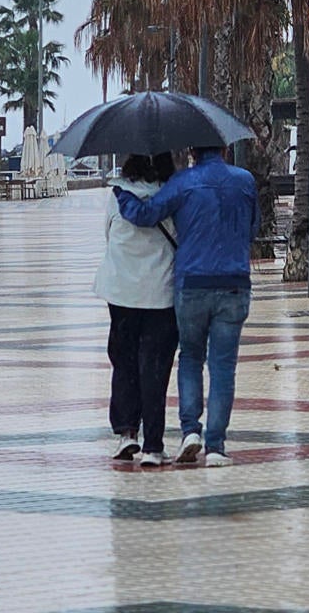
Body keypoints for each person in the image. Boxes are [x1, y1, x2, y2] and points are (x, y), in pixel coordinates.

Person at [113, 144, 256, 467]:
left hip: (191, 284)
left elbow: (146, 215)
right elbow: (253, 229)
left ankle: (191, 430)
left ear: (191, 149)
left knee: (191, 357)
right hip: (234, 284)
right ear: (224, 147)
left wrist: (122, 194)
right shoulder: (244, 181)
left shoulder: (183, 182)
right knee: (223, 368)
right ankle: (216, 447)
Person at [93, 152, 178, 468]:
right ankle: (153, 446)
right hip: (160, 293)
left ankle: (127, 433)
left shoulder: (117, 196)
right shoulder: (172, 195)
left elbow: (107, 236)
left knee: (124, 361)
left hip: (120, 292)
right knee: (154, 368)